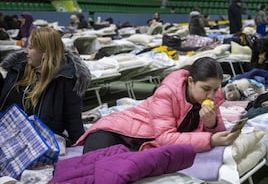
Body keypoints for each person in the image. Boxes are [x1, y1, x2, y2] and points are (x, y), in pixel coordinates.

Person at [76, 57, 241, 153]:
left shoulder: (213, 95)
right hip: (118, 132)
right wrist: (210, 139)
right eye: (206, 89)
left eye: (216, 89)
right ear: (191, 81)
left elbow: (218, 133)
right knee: (97, 168)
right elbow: (165, 138)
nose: (211, 95)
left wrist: (211, 123)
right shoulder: (167, 93)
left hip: (144, 143)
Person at [0, 27, 92, 146]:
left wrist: (82, 145)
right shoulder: (17, 70)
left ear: (46, 52)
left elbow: (73, 119)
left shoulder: (66, 80)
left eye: (31, 47)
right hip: (8, 135)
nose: (25, 51)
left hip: (40, 141)